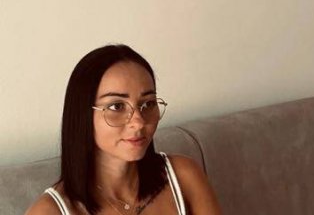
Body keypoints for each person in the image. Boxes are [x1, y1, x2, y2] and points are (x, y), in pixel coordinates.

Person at [26, 44, 222, 215]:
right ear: (82, 115)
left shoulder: (183, 176)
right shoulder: (48, 212)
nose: (138, 122)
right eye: (117, 106)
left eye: (148, 103)